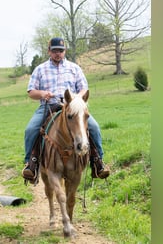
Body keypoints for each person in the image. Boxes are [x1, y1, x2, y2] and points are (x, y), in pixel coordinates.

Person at [22, 37, 110, 182]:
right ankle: (31, 163)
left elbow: (83, 88)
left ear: (65, 51)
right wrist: (43, 94)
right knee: (31, 129)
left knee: (93, 127)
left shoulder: (74, 68)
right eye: (55, 50)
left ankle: (98, 162)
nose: (58, 53)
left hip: (72, 107)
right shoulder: (40, 69)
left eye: (61, 51)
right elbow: (31, 91)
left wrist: (77, 99)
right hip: (48, 106)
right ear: (49, 51)